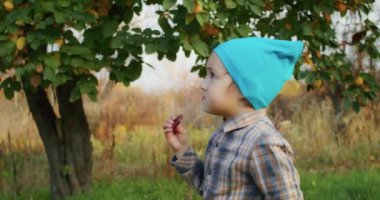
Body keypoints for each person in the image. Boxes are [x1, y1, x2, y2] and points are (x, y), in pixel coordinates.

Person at [163, 36, 304, 199]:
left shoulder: (263, 144)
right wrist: (182, 149)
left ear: (246, 86)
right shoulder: (222, 135)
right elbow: (208, 187)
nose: (203, 84)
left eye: (212, 75)